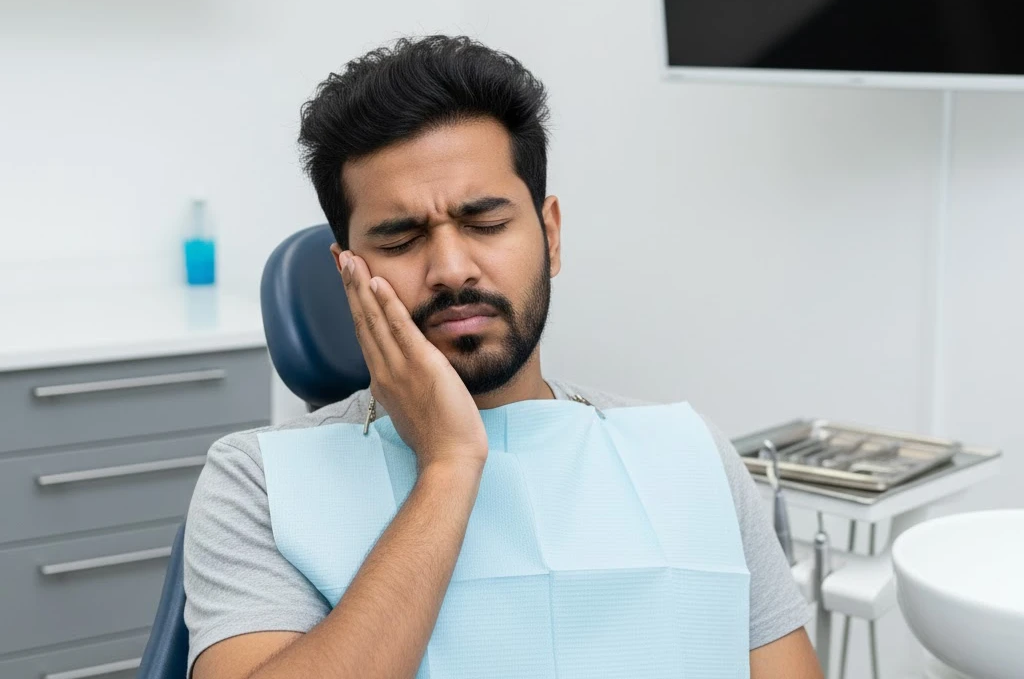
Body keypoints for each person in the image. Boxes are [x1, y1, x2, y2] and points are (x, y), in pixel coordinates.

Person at [184, 35, 819, 679]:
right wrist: (449, 465)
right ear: (347, 271)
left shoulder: (689, 453)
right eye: (400, 239)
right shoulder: (255, 484)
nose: (452, 269)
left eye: (486, 224)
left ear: (550, 235)